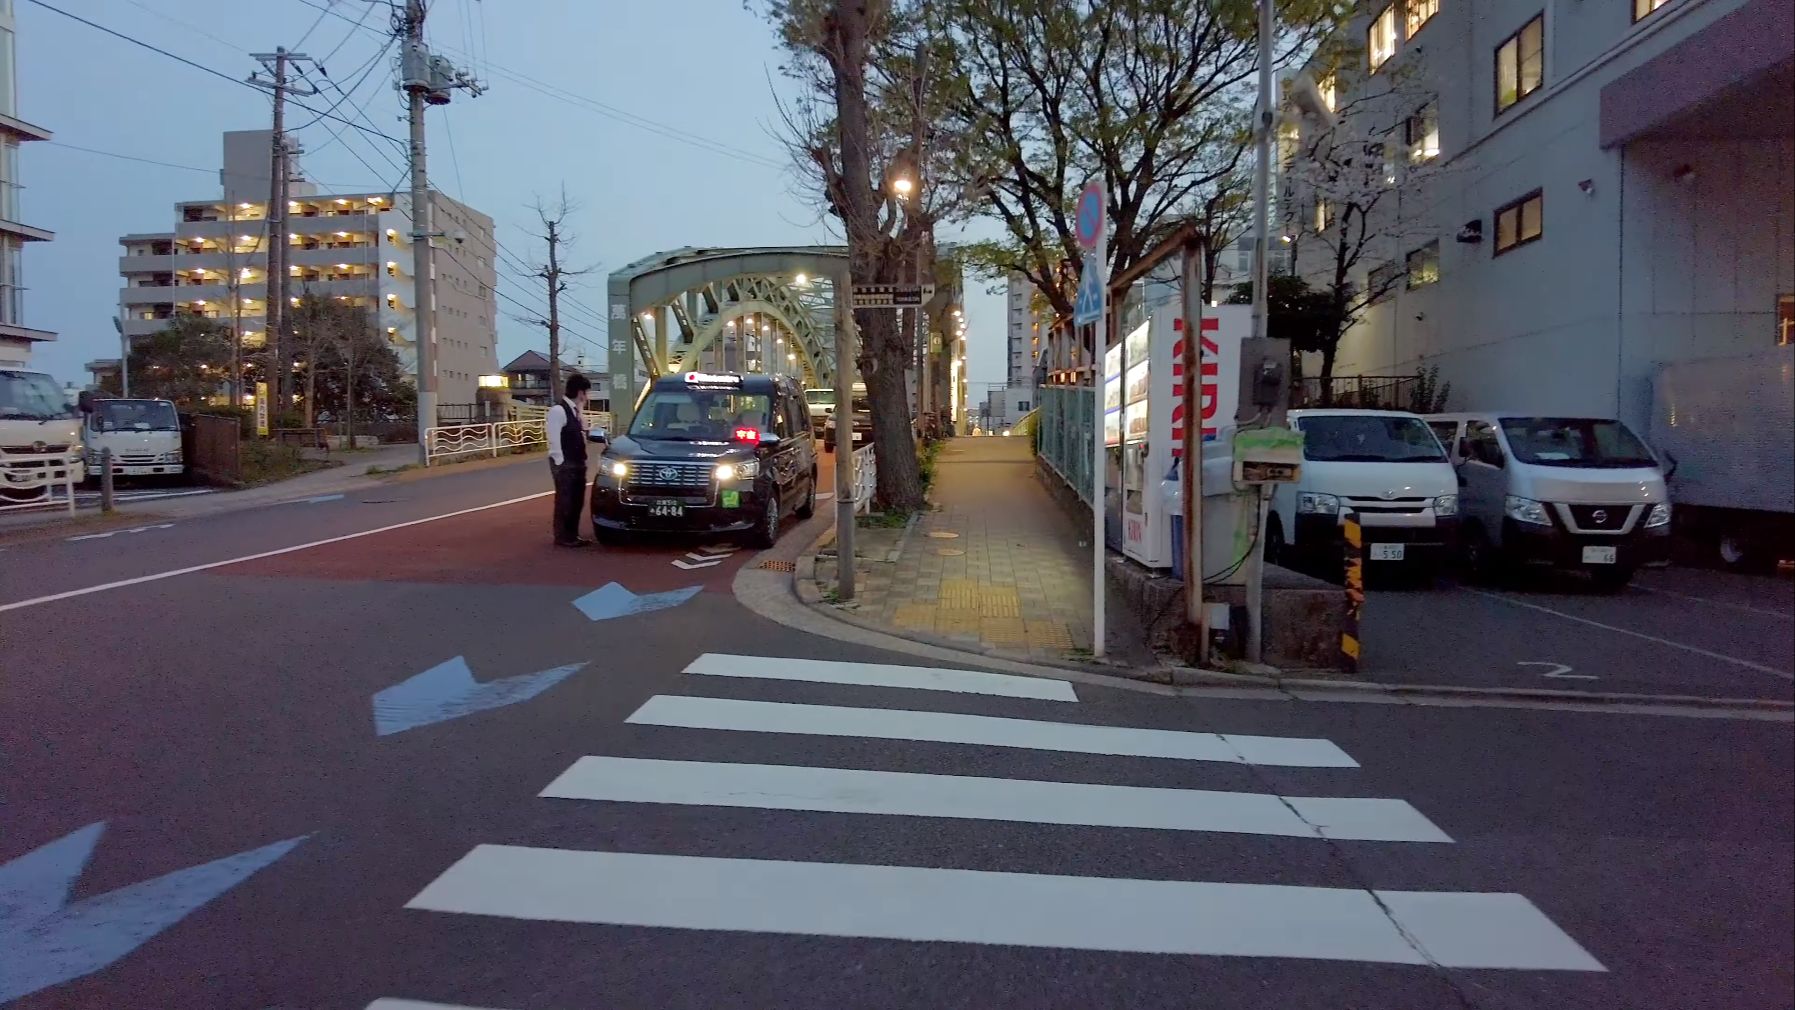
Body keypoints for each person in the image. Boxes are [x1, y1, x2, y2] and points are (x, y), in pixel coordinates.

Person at [545, 373, 593, 547]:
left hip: (578, 462)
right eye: (586, 393)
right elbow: (554, 439)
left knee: (577, 500)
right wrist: (559, 463)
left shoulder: (576, 413)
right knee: (565, 499)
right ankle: (563, 536)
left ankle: (572, 534)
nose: (587, 397)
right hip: (566, 463)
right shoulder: (559, 410)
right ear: (580, 392)